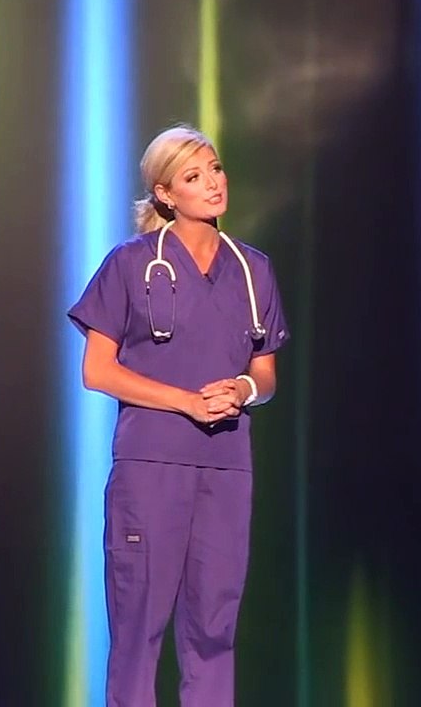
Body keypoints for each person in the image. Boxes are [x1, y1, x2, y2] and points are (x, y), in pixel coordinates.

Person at [67, 124, 289, 706]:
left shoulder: (253, 269)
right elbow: (98, 370)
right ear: (165, 194)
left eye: (215, 168)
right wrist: (186, 401)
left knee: (214, 630)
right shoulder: (131, 265)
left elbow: (265, 373)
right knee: (139, 628)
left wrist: (241, 388)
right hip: (152, 467)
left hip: (225, 466)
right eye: (194, 176)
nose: (213, 183)